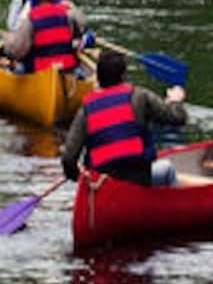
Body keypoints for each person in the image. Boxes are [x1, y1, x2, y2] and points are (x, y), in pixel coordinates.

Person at [60, 48, 188, 186]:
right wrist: (175, 101)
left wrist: (78, 176)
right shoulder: (140, 96)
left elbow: (68, 157)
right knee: (167, 168)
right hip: (139, 179)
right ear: (123, 75)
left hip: (101, 183)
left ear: (98, 77)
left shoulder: (86, 108)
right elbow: (177, 118)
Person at [1, 0, 91, 76]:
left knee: (18, 68)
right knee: (80, 71)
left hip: (39, 70)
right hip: (66, 67)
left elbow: (18, 51)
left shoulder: (30, 18)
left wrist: (7, 41)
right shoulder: (67, 13)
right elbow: (82, 29)